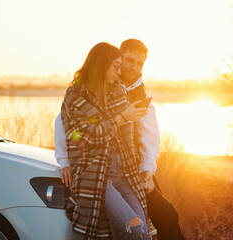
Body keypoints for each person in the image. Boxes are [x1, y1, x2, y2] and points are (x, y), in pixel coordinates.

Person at [55, 39, 186, 240]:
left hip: (132, 167)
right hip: (100, 170)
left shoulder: (137, 95)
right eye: (128, 61)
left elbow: (150, 137)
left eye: (139, 63)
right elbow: (66, 123)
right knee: (138, 224)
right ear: (118, 58)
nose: (133, 67)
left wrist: (146, 170)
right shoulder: (91, 89)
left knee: (164, 217)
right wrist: (64, 159)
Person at [60, 42, 151, 239]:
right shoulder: (76, 95)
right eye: (115, 66)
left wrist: (133, 114)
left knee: (144, 233)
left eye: (120, 66)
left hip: (126, 171)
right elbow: (84, 138)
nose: (119, 73)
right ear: (101, 65)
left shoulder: (117, 89)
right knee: (133, 227)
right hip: (97, 174)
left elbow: (126, 133)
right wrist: (121, 118)